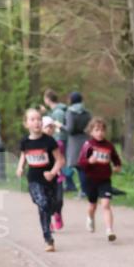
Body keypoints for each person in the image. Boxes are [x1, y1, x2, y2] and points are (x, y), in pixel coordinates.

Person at [16, 108, 65, 252]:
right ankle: (48, 239)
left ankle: (53, 215)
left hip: (50, 180)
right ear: (26, 124)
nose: (37, 122)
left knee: (52, 204)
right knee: (42, 204)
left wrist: (52, 172)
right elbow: (24, 155)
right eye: (33, 119)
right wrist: (20, 167)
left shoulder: (49, 141)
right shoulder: (24, 142)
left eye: (39, 119)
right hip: (34, 180)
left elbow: (60, 160)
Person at [77, 117, 122, 242]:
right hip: (90, 179)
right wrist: (89, 161)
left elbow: (116, 159)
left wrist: (117, 166)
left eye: (102, 130)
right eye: (96, 130)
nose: (100, 133)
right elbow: (80, 163)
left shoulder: (109, 146)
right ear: (91, 132)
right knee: (92, 205)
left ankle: (109, 231)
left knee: (106, 204)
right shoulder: (88, 145)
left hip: (105, 180)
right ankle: (90, 218)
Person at [44, 90, 71, 223]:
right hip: (44, 175)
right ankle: (49, 222)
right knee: (47, 199)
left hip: (57, 175)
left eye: (51, 127)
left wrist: (58, 169)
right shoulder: (38, 143)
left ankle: (58, 213)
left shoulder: (58, 143)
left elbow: (61, 159)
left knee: (59, 200)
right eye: (46, 128)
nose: (49, 130)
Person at [63, 92, 91, 196]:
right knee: (85, 166)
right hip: (85, 139)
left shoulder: (70, 112)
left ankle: (84, 190)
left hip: (75, 142)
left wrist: (61, 126)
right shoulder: (87, 112)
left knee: (79, 167)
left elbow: (69, 129)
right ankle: (86, 189)